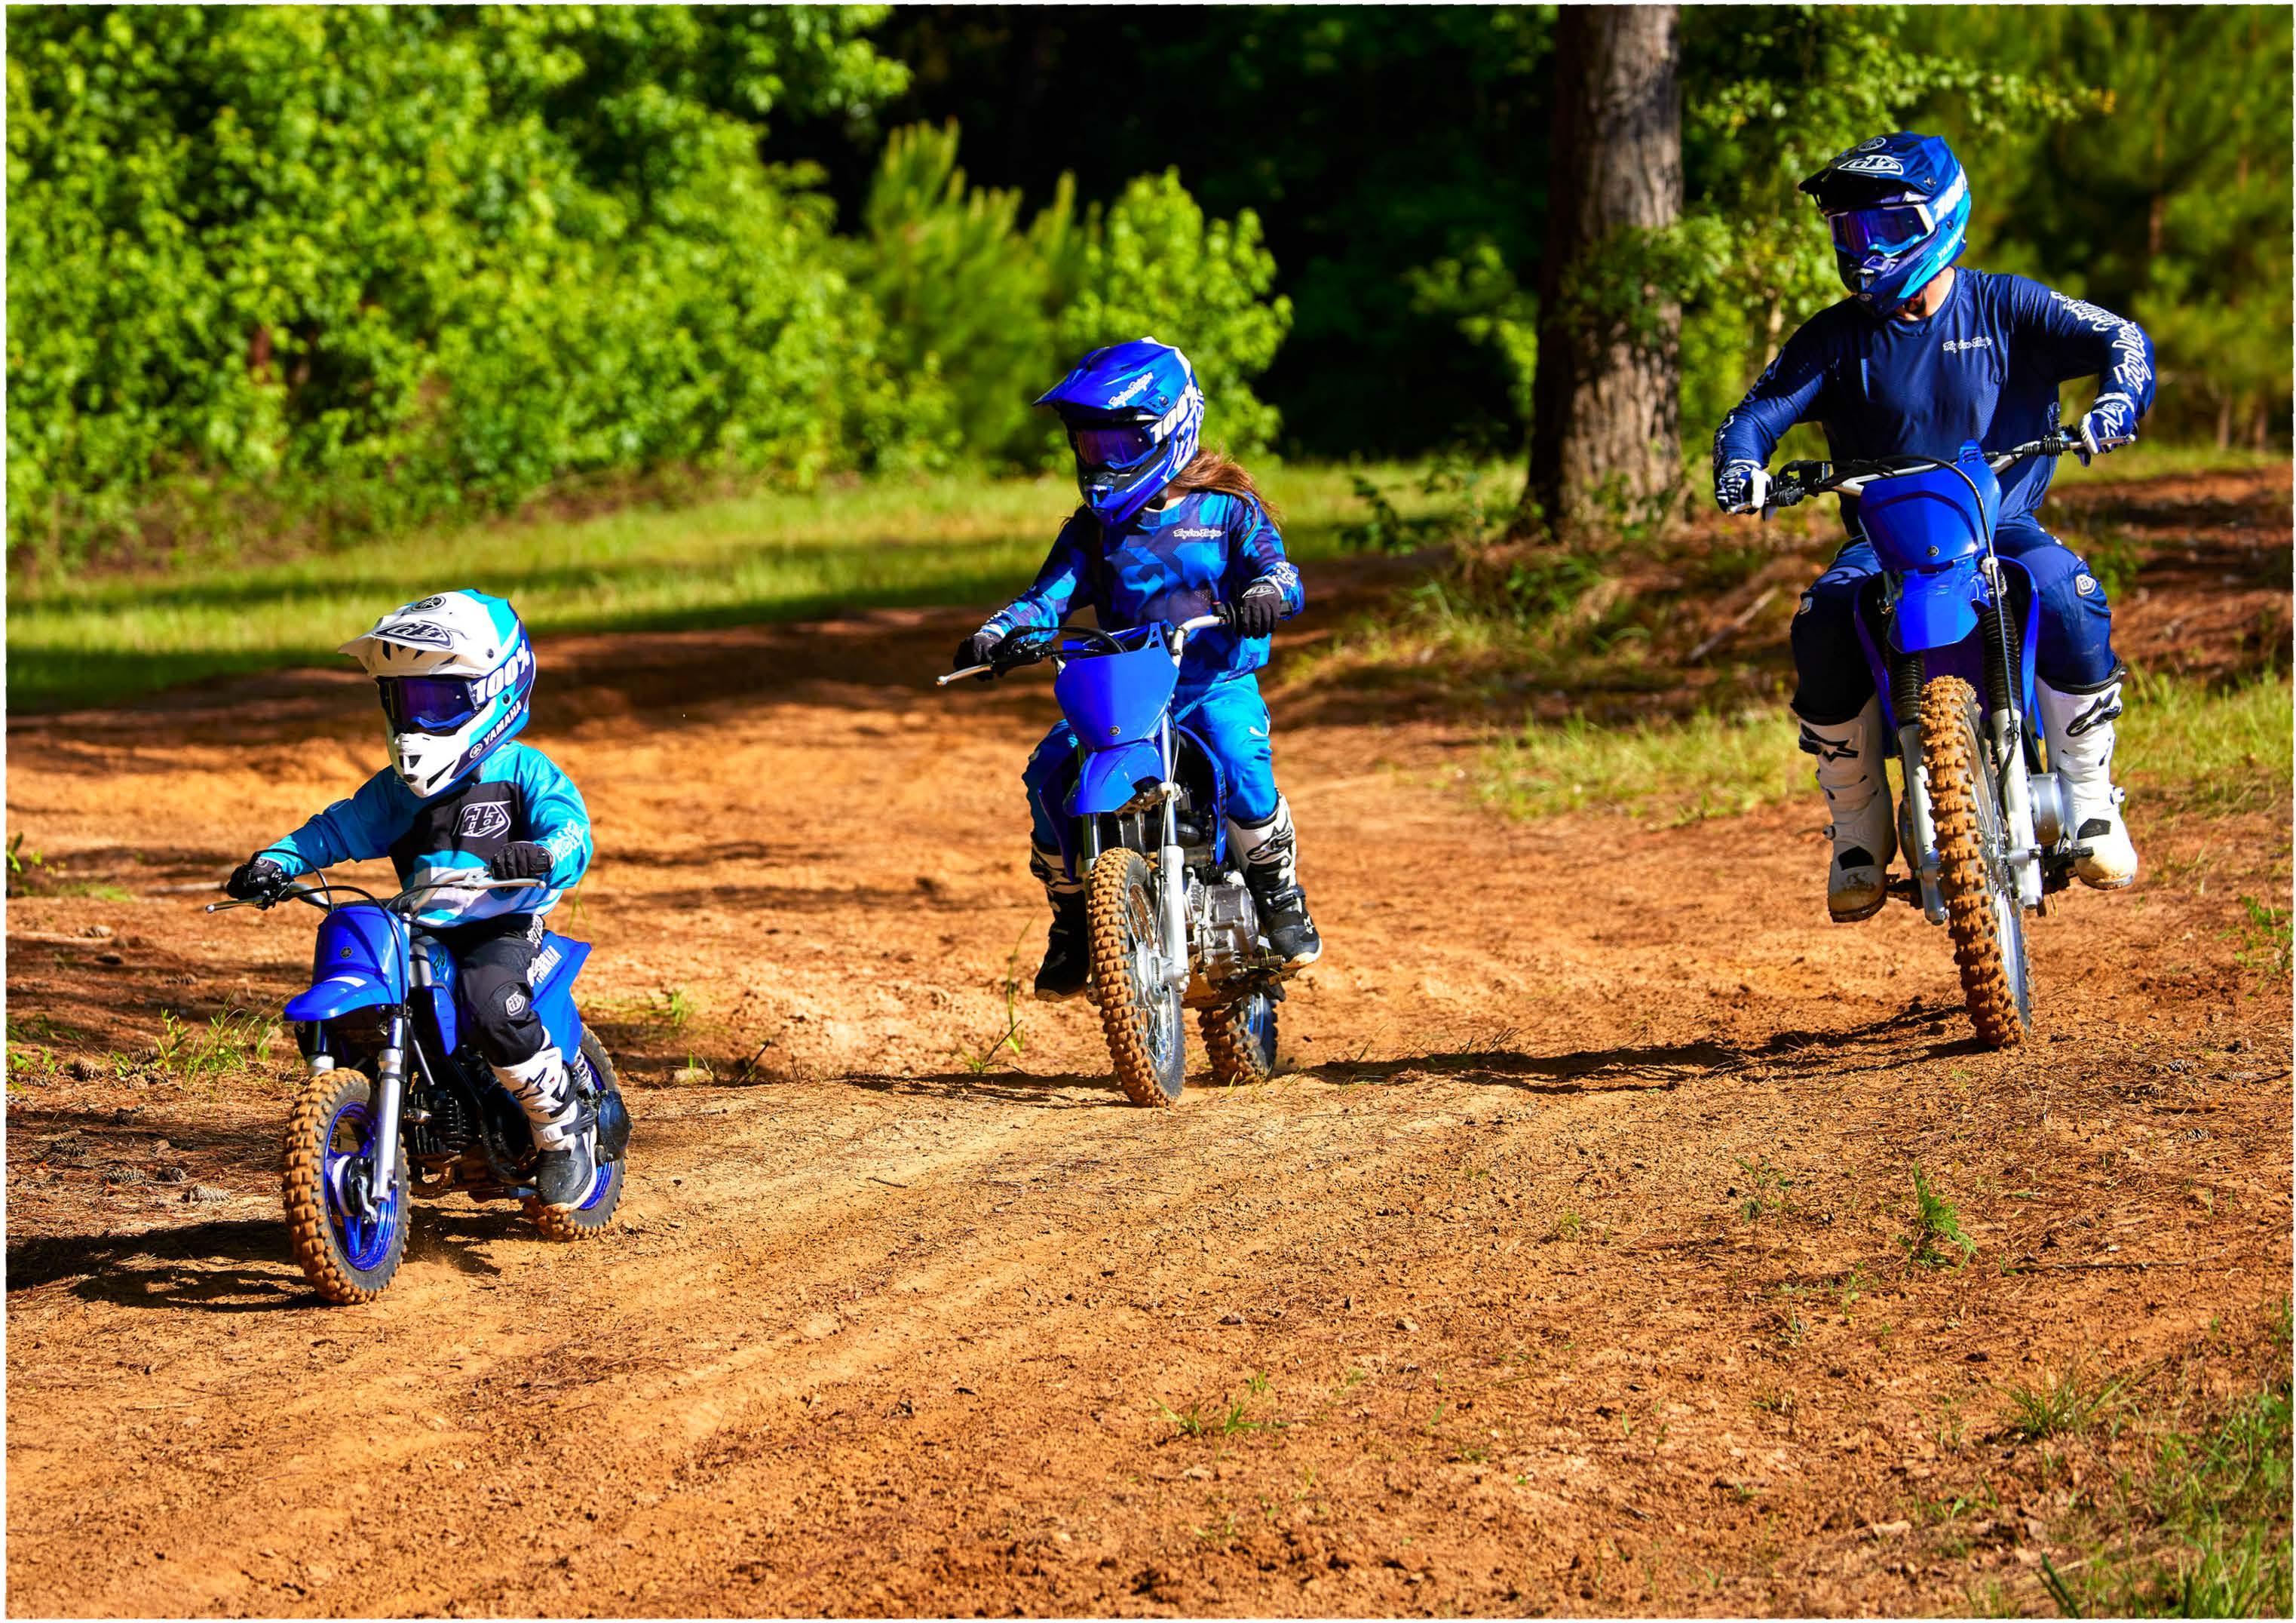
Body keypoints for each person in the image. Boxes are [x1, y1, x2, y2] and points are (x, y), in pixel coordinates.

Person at [1712, 131, 2153, 921]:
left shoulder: (2008, 306)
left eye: (1885, 227)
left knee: (2065, 587)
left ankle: (2088, 796)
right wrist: (1742, 466)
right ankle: (1858, 825)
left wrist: (2117, 401)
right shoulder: (1833, 338)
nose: (1865, 250)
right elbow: (1753, 416)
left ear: (1942, 217)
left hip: (1998, 525)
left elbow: (2121, 336)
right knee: (1819, 618)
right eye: (1849, 231)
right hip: (1881, 541)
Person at [955, 337, 1323, 999]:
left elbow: (1280, 571)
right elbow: (1047, 599)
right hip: (1124, 690)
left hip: (1211, 684)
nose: (1103, 460)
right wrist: (996, 634)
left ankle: (1276, 895)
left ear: (1172, 429)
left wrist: (1266, 595)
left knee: (1238, 756)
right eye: (1090, 444)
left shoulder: (1228, 511)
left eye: (1121, 443)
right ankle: (1072, 919)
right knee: (1048, 773)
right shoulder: (1091, 531)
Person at [222, 590, 599, 1208]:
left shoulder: (523, 772)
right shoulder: (397, 793)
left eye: (438, 701)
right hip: (420, 924)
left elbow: (570, 832)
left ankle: (562, 1131)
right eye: (405, 701)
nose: (418, 720)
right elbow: (336, 829)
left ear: (495, 691)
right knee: (360, 988)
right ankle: (377, 1120)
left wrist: (541, 855)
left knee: (492, 1004)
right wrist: (276, 861)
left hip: (500, 924)